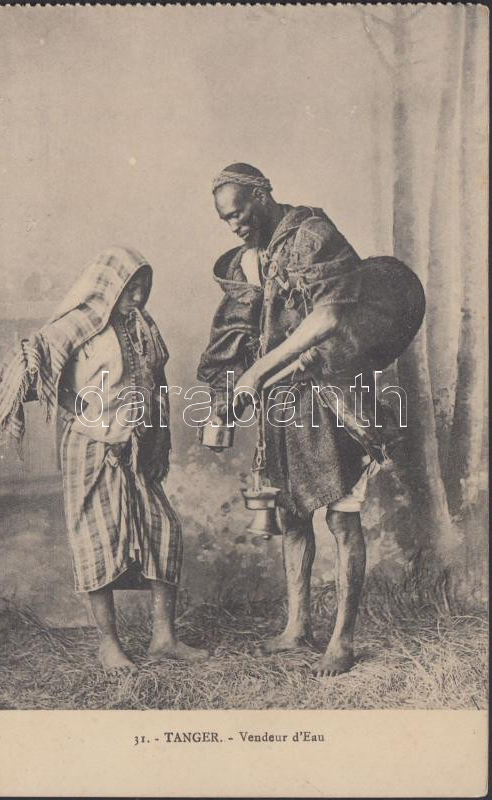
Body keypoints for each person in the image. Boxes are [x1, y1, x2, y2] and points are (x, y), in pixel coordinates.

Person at [197, 163, 424, 676]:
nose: (234, 226)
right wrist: (227, 399)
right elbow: (237, 335)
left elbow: (331, 316)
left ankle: (341, 640)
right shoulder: (249, 261)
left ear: (262, 194)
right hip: (286, 403)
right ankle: (298, 626)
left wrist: (257, 372)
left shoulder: (315, 236)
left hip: (335, 393)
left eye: (239, 213)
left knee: (341, 517)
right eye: (225, 219)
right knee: (293, 513)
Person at [0, 247, 207, 671]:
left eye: (144, 288)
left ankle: (164, 638)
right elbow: (28, 371)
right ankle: (109, 645)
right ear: (109, 286)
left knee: (163, 532)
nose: (139, 296)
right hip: (89, 445)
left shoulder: (143, 326)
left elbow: (156, 382)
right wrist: (57, 389)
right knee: (95, 541)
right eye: (131, 287)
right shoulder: (76, 327)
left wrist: (158, 435)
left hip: (136, 444)